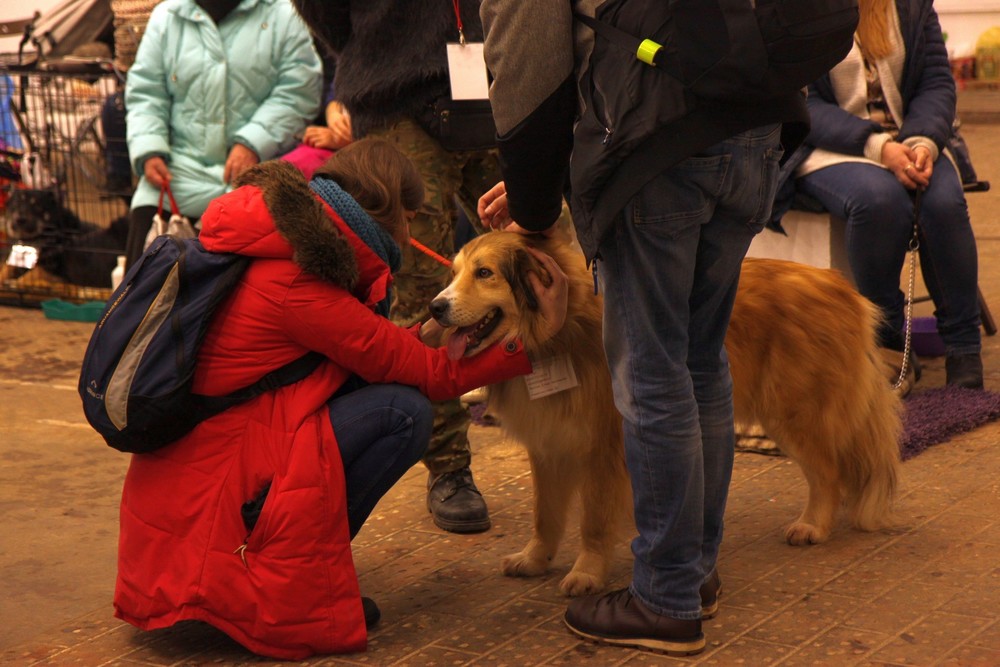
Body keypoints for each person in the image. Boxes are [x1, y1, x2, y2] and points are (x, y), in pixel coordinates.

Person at [113, 139, 570, 659]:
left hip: (217, 465)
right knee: (403, 414)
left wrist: (433, 330)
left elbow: (377, 348)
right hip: (216, 502)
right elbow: (422, 371)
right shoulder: (297, 281)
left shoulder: (293, 246)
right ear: (396, 211)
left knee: (392, 399)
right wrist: (528, 339)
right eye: (411, 214)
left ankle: (300, 557)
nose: (413, 225)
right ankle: (276, 572)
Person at [477, 1, 810, 656]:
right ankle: (695, 571)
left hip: (652, 142)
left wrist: (535, 204)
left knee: (653, 373)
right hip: (755, 127)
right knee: (698, 357)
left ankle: (665, 597)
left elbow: (527, 58)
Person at [289, 0, 510, 534]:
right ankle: (450, 467)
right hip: (398, 98)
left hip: (500, 83)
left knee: (548, 255)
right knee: (423, 295)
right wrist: (382, 43)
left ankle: (577, 428)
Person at [771, 0, 983, 391]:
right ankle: (885, 340)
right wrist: (877, 147)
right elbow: (801, 101)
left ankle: (963, 347)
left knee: (942, 203)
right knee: (879, 201)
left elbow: (936, 81)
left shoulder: (911, 6)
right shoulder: (796, 9)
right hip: (828, 147)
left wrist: (921, 142)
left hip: (914, 141)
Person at [122, 0, 323, 268]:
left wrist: (252, 143)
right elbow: (146, 93)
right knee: (142, 272)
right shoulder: (166, 17)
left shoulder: (284, 15)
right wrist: (149, 149)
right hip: (178, 170)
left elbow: (299, 92)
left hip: (259, 173)